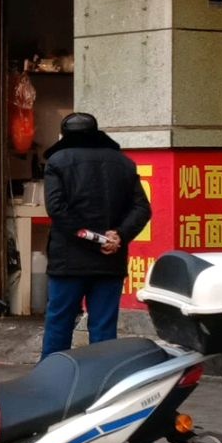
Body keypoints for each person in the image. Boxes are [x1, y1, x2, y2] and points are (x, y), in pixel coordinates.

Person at [41, 111, 151, 358]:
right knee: (103, 328)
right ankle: (104, 382)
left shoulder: (57, 162)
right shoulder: (123, 162)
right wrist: (118, 236)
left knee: (60, 323)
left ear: (64, 135)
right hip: (110, 260)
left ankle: (50, 381)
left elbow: (57, 209)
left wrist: (93, 239)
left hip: (68, 261)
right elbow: (142, 208)